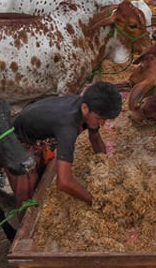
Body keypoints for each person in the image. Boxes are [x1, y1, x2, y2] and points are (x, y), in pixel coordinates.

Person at [8, 81, 123, 209]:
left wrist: (105, 166)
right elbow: (63, 182)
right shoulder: (67, 126)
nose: (102, 123)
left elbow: (94, 137)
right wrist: (95, 202)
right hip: (16, 146)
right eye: (99, 118)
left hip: (38, 137)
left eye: (105, 119)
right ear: (85, 108)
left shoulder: (86, 108)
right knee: (27, 195)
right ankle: (22, 219)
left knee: (40, 178)